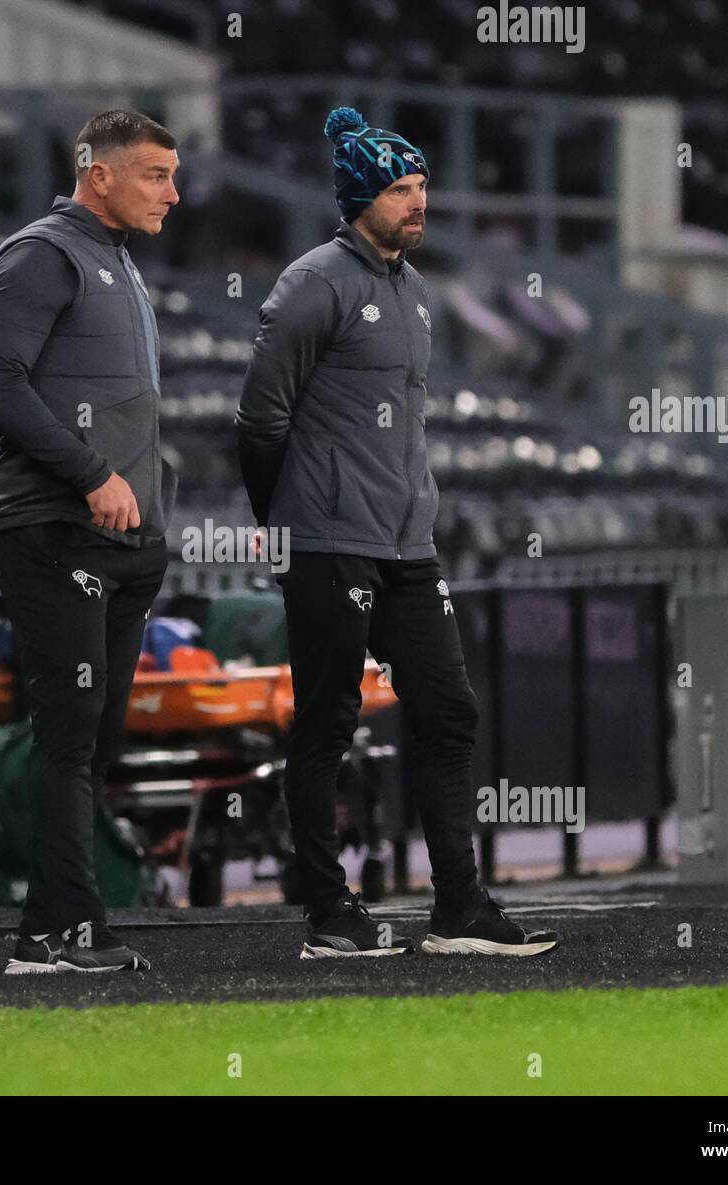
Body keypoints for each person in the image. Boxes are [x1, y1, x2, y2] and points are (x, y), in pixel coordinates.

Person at [236, 107, 560, 959]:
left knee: (449, 710)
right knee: (329, 720)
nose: (418, 203)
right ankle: (328, 911)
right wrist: (287, 526)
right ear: (357, 198)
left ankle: (458, 906)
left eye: (421, 187)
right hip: (328, 537)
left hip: (407, 541)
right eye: (399, 189)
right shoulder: (312, 282)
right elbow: (259, 418)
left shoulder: (416, 293)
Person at [0, 110, 180, 973]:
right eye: (155, 175)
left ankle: (47, 931)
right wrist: (93, 474)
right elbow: (0, 385)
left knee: (89, 741)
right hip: (56, 528)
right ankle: (66, 933)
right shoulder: (42, 253)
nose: (173, 193)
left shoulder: (120, 265)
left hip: (125, 542)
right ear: (99, 175)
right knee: (67, 736)